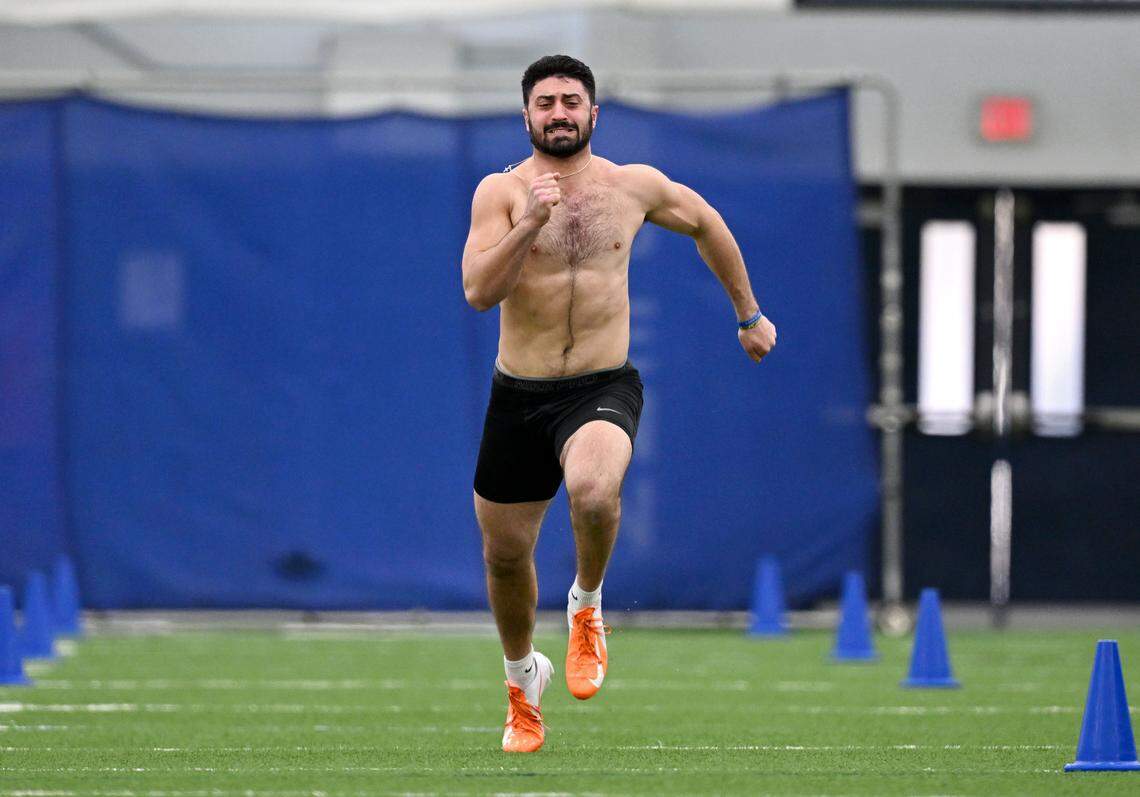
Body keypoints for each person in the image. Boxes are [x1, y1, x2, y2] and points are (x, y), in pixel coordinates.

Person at [461, 55, 777, 753]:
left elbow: (706, 222)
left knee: (595, 491)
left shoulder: (631, 186)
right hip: (520, 393)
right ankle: (522, 682)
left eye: (572, 100)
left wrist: (748, 314)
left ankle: (587, 604)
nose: (559, 112)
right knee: (506, 554)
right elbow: (479, 291)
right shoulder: (501, 192)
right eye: (545, 102)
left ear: (594, 113)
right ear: (527, 116)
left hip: (601, 385)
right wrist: (528, 223)